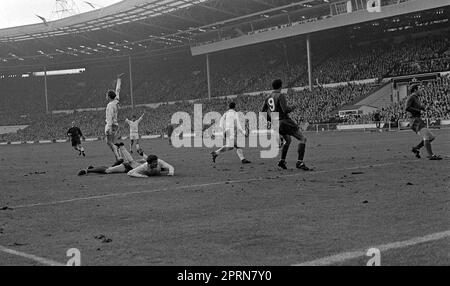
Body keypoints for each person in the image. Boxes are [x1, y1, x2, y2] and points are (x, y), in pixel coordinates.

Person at [262, 79, 310, 170]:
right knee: (302, 139)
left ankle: (282, 161)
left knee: (287, 140)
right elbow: (285, 110)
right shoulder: (280, 95)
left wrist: (271, 120)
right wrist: (294, 107)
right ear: (281, 86)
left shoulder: (268, 97)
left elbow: (262, 112)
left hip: (276, 123)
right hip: (284, 121)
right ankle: (299, 162)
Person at [406, 84, 442, 160]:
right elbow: (407, 108)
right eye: (420, 89)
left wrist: (425, 108)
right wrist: (419, 111)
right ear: (415, 90)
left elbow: (418, 107)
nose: (421, 90)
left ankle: (416, 148)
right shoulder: (411, 97)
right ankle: (431, 155)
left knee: (431, 137)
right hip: (414, 120)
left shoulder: (416, 98)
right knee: (426, 136)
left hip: (418, 119)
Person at [78, 143, 146, 176]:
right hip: (127, 166)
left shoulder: (149, 163)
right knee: (108, 170)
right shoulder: (147, 162)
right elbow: (133, 161)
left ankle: (92, 168)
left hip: (129, 166)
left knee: (109, 168)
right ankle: (87, 170)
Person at [105, 73, 124, 166]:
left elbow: (109, 117)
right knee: (112, 142)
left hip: (111, 125)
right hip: (116, 125)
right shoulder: (116, 100)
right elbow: (118, 90)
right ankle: (118, 158)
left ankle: (119, 157)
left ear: (109, 97)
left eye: (106, 95)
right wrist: (119, 79)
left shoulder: (110, 105)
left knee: (109, 142)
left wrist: (108, 128)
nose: (106, 96)